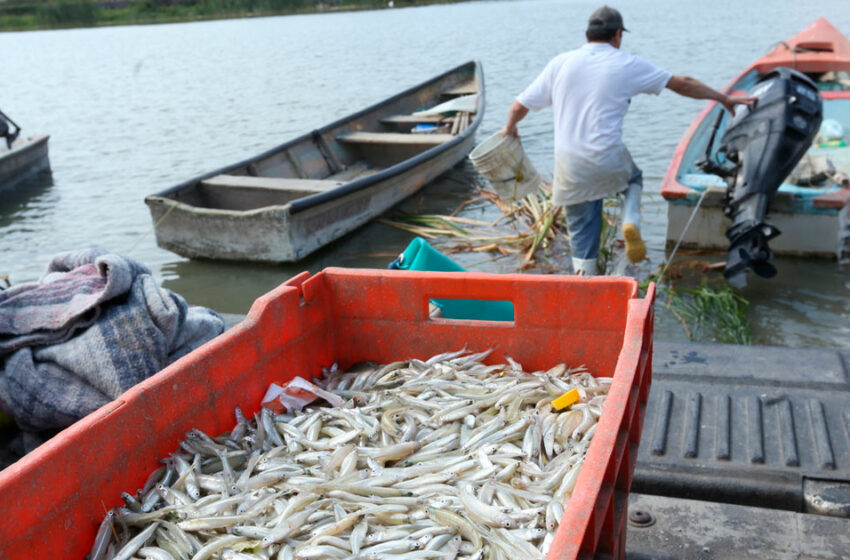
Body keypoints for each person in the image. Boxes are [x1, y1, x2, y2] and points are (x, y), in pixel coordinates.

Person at [501, 5, 756, 275]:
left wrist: (510, 128)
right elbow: (683, 83)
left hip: (569, 164)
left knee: (582, 236)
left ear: (588, 34)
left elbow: (519, 105)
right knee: (632, 179)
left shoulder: (560, 63)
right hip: (608, 156)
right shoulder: (626, 62)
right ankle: (630, 221)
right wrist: (724, 98)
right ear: (618, 35)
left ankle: (586, 285)